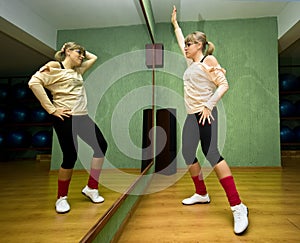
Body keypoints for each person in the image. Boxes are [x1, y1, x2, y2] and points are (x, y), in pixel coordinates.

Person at [171, 6, 248, 235]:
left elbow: (224, 84)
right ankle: (201, 193)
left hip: (204, 114)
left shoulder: (208, 60)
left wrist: (208, 105)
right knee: (187, 153)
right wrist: (175, 24)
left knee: (212, 154)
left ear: (199, 46)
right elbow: (178, 41)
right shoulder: (191, 64)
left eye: (189, 44)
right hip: (191, 116)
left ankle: (237, 205)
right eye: (184, 44)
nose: (185, 47)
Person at [28, 42, 108, 214]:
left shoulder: (78, 71)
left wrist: (82, 53)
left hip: (82, 117)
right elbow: (34, 82)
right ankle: (61, 198)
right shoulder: (54, 67)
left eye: (82, 53)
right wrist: (51, 109)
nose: (81, 56)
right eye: (78, 52)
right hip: (65, 118)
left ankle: (91, 188)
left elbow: (94, 58)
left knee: (101, 146)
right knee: (70, 156)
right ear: (68, 52)